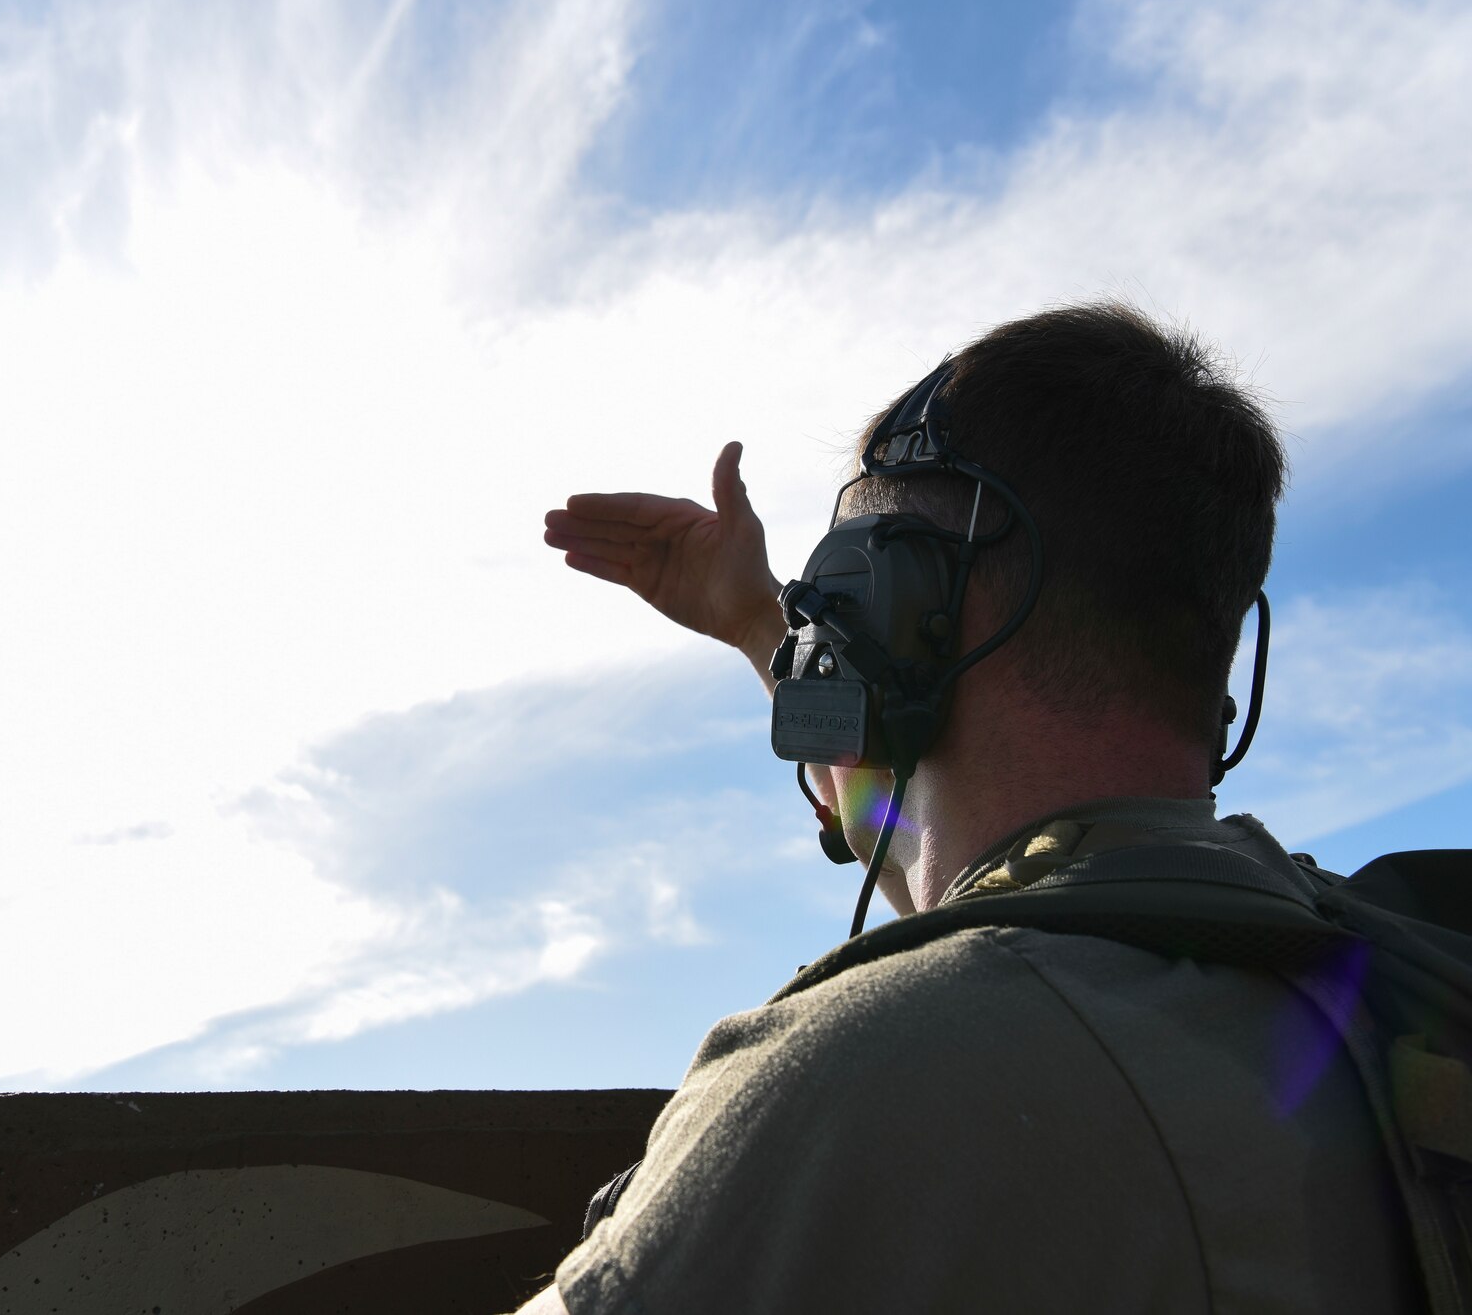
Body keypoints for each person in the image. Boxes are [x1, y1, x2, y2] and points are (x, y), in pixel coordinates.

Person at [516, 302, 1422, 1312]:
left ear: (901, 621)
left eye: (837, 605)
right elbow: (951, 861)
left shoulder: (866, 1083)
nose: (824, 639)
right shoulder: (1364, 975)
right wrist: (755, 625)